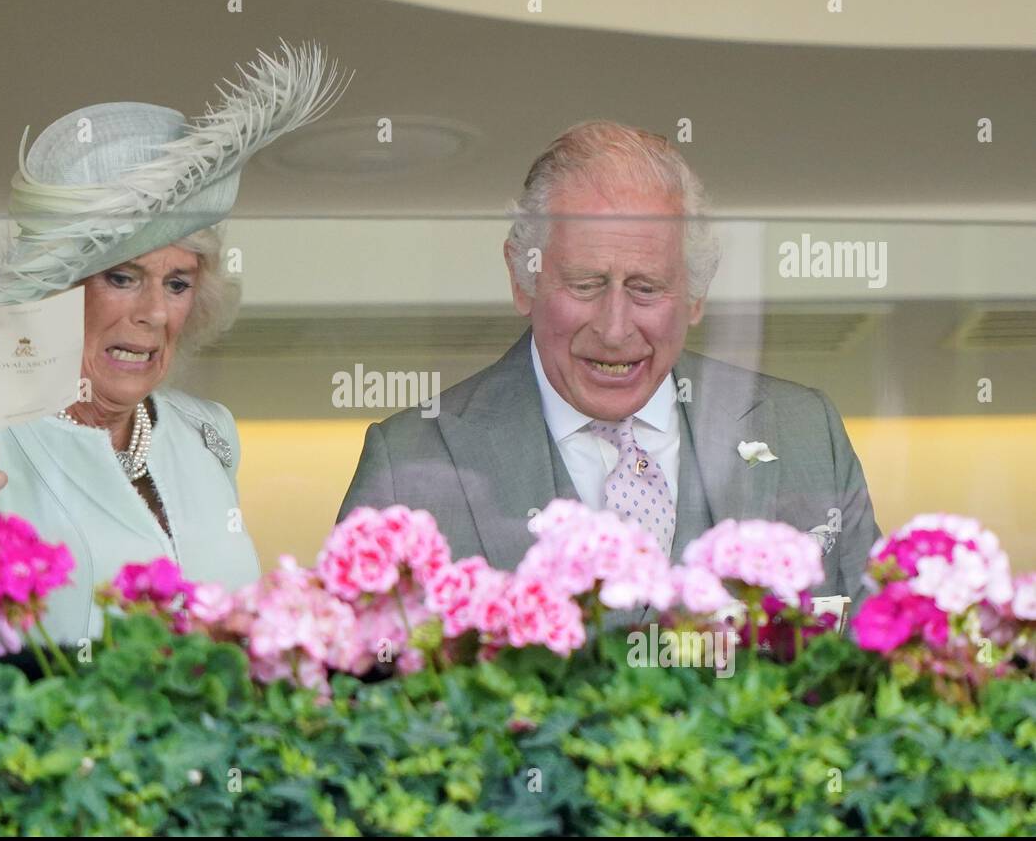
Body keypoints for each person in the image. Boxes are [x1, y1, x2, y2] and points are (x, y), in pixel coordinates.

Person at [0, 42, 350, 649]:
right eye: (122, 278)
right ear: (58, 291)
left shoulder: (209, 433)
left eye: (178, 283)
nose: (154, 313)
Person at [339, 121, 879, 610]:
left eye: (646, 289)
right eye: (585, 284)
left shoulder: (807, 433)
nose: (614, 328)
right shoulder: (406, 467)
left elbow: (876, 674)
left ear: (695, 295)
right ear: (521, 278)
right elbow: (351, 702)